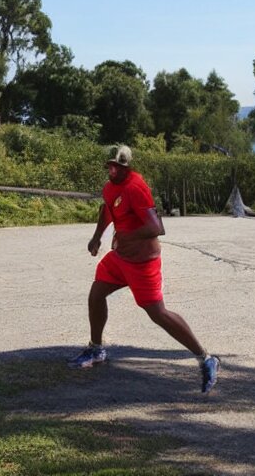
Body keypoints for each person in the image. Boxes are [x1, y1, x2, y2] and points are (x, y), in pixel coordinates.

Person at [68, 145, 220, 393]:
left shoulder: (136, 187)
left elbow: (155, 227)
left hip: (142, 262)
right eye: (110, 165)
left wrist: (126, 237)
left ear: (127, 167)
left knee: (157, 313)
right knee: (96, 294)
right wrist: (97, 237)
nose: (112, 170)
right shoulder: (111, 187)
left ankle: (205, 358)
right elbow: (107, 208)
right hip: (120, 259)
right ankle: (96, 349)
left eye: (117, 166)